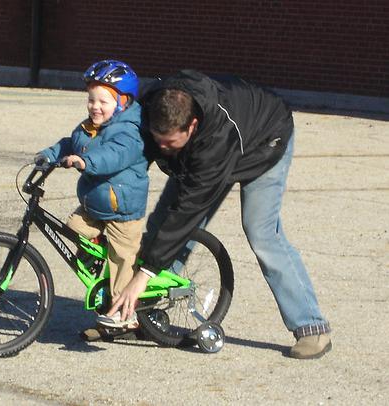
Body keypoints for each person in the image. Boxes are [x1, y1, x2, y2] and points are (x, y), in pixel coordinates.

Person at [108, 69, 331, 359]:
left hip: (264, 141)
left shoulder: (215, 141)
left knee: (261, 233)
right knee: (163, 222)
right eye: (158, 140)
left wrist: (143, 274)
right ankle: (141, 312)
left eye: (170, 144)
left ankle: (312, 327)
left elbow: (188, 211)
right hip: (208, 150)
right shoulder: (153, 107)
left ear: (192, 126)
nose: (162, 148)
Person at [35, 60, 149, 338]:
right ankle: (100, 271)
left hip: (123, 211)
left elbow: (112, 155)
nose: (95, 106)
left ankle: (125, 316)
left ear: (122, 102)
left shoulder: (129, 131)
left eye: (103, 101)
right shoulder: (89, 127)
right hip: (94, 207)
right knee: (72, 228)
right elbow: (69, 142)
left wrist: (85, 162)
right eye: (91, 100)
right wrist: (50, 154)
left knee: (122, 259)